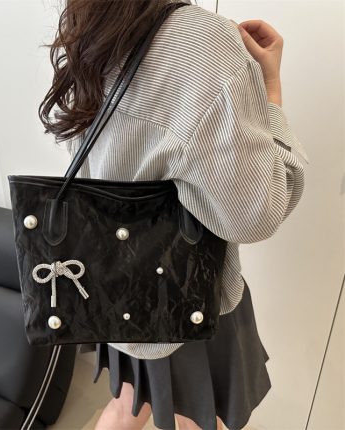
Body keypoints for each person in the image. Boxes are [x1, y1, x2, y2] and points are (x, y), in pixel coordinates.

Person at [40, 1, 310, 429]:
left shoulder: (92, 20)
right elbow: (257, 213)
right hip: (186, 293)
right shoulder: (203, 41)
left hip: (112, 287)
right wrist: (271, 91)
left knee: (126, 406)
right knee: (197, 421)